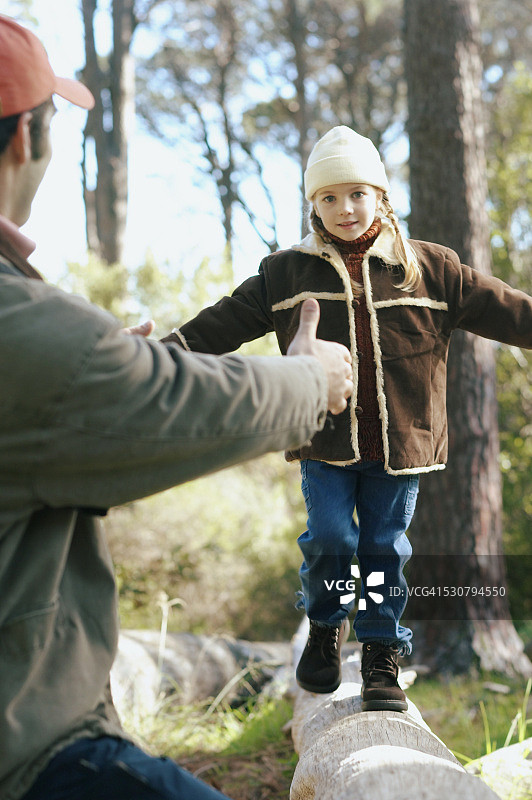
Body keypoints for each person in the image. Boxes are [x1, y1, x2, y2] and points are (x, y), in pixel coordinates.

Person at [0, 16, 354, 800]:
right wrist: (309, 380)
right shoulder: (18, 320)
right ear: (27, 137)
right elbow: (178, 399)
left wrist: (100, 378)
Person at [162, 124, 532, 712]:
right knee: (332, 538)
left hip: (400, 446)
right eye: (328, 198)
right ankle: (326, 626)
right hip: (323, 440)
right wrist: (157, 358)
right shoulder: (284, 274)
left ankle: (383, 651)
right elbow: (220, 324)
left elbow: (509, 310)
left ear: (381, 196)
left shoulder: (431, 269)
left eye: (357, 194)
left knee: (385, 547)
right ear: (313, 205)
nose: (345, 209)